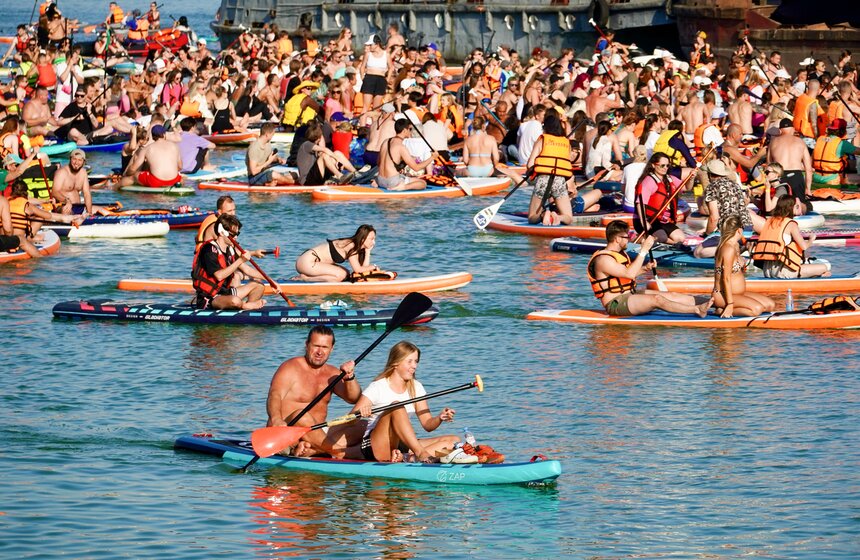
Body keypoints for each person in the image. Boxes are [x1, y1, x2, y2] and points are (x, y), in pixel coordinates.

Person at [348, 341, 460, 463]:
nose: (414, 366)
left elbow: (428, 424)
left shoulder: (417, 387)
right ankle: (421, 454)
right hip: (376, 446)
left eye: (416, 361)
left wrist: (439, 418)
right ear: (396, 363)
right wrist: (360, 414)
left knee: (454, 442)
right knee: (397, 406)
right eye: (410, 361)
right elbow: (349, 420)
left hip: (402, 445)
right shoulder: (377, 387)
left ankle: (409, 458)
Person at [265, 326, 361, 457]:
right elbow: (274, 395)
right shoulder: (290, 367)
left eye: (325, 347)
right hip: (287, 434)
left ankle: (312, 450)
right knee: (302, 415)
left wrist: (349, 377)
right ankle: (338, 452)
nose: (319, 352)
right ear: (307, 345)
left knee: (362, 425)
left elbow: (354, 398)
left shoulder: (332, 373)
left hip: (316, 434)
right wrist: (276, 419)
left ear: (331, 349)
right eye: (316, 346)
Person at [587, 220, 712, 317]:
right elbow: (629, 274)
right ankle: (697, 310)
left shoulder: (619, 254)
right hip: (616, 303)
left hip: (630, 295)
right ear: (618, 239)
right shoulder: (603, 260)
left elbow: (625, 275)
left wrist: (645, 268)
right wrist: (644, 250)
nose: (629, 240)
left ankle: (713, 302)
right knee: (657, 300)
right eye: (627, 237)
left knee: (671, 295)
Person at [190, 214, 267, 310]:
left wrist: (271, 281)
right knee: (235, 301)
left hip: (225, 292)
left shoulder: (230, 249)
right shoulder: (209, 249)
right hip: (209, 297)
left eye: (237, 234)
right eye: (233, 234)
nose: (235, 238)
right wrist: (240, 260)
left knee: (259, 286)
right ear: (222, 232)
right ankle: (245, 306)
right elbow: (219, 276)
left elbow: (247, 269)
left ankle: (246, 311)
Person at [751, 194, 831, 279]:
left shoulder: (769, 221)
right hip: (783, 272)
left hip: (767, 271)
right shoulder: (791, 224)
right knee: (825, 267)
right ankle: (816, 279)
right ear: (791, 207)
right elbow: (804, 246)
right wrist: (811, 239)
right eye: (795, 206)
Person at [711, 216, 775, 318]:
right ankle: (721, 310)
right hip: (724, 296)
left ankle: (729, 306)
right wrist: (730, 304)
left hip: (738, 294)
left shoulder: (734, 246)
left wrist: (745, 249)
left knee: (770, 305)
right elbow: (725, 278)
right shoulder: (727, 248)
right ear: (739, 230)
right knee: (756, 310)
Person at [295, 224, 380, 282]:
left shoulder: (357, 247)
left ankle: (308, 277)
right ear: (363, 238)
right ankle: (305, 278)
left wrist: (367, 251)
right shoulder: (351, 245)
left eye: (374, 239)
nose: (374, 242)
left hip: (313, 262)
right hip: (307, 262)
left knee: (346, 274)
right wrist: (374, 267)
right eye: (371, 239)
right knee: (341, 275)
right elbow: (358, 270)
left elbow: (363, 269)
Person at [633, 152, 687, 243]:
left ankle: (662, 240)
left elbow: (686, 188)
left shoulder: (669, 179)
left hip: (662, 220)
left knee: (680, 238)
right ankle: (638, 239)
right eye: (662, 165)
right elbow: (640, 203)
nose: (665, 168)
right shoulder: (649, 181)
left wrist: (692, 178)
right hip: (648, 219)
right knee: (662, 238)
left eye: (667, 165)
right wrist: (643, 222)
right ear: (653, 165)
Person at [767, 118, 813, 214]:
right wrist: (808, 189)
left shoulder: (773, 142)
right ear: (793, 129)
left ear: (780, 130)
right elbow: (808, 169)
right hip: (796, 176)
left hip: (779, 176)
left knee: (780, 204)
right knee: (801, 203)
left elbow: (769, 166)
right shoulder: (800, 142)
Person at [376, 118, 436, 191]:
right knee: (422, 183)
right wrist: (432, 157)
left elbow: (378, 163)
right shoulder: (401, 147)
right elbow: (416, 168)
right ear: (404, 130)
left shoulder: (385, 141)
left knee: (403, 177)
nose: (410, 132)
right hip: (392, 182)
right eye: (409, 129)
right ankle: (403, 187)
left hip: (380, 180)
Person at [51, 149, 109, 216]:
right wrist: (67, 201)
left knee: (104, 212)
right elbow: (54, 192)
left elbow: (87, 194)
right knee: (66, 210)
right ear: (70, 159)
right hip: (63, 206)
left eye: (79, 160)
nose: (76, 162)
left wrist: (89, 212)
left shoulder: (83, 172)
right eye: (74, 159)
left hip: (79, 207)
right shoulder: (61, 172)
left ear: (83, 162)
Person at [811, 118, 856, 185]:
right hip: (832, 179)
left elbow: (811, 158)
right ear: (842, 131)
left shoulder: (820, 139)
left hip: (816, 177)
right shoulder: (842, 143)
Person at [0, 193, 40, 257]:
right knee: (21, 239)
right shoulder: (2, 200)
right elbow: (8, 231)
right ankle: (41, 260)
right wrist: (11, 242)